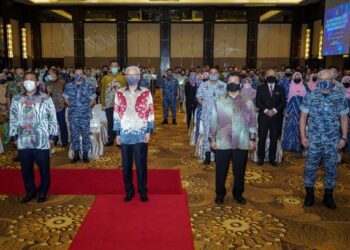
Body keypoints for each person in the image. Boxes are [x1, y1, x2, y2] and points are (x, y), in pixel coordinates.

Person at [300, 69, 349, 209]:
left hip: (332, 140)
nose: (323, 83)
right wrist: (303, 136)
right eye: (321, 80)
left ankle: (329, 195)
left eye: (326, 80)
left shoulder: (339, 97)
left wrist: (344, 137)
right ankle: (309, 194)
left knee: (331, 168)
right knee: (310, 167)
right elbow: (303, 117)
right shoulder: (310, 96)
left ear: (332, 81)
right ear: (317, 81)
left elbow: (344, 118)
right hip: (314, 139)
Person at [9, 72, 58, 203]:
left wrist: (53, 136)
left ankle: (42, 191)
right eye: (26, 79)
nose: (28, 82)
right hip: (23, 140)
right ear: (23, 82)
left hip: (41, 140)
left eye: (31, 80)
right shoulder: (17, 99)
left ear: (37, 83)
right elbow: (13, 118)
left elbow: (52, 118)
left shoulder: (45, 98)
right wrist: (13, 135)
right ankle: (30, 191)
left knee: (44, 168)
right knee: (26, 169)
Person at [209, 76, 257, 205]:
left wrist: (252, 139)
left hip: (241, 141)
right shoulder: (219, 101)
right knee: (221, 170)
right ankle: (220, 194)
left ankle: (238, 193)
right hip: (222, 141)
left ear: (240, 84)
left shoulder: (248, 101)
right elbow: (213, 121)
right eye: (230, 82)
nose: (232, 84)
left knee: (240, 171)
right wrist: (212, 139)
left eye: (235, 82)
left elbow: (252, 121)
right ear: (226, 84)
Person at [114, 66, 154, 202]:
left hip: (140, 133)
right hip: (125, 134)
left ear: (139, 76)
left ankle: (142, 190)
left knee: (141, 164)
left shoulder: (146, 92)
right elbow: (116, 114)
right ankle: (129, 190)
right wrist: (117, 133)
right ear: (125, 76)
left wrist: (149, 130)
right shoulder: (119, 92)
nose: (131, 77)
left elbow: (150, 112)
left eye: (134, 74)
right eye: (128, 75)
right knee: (126, 165)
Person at [64, 68, 96, 163]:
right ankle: (76, 155)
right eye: (76, 73)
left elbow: (93, 100)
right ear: (73, 75)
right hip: (73, 115)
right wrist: (73, 107)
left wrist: (85, 108)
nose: (78, 75)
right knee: (74, 135)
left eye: (80, 73)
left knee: (85, 135)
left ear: (83, 75)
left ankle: (85, 155)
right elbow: (66, 98)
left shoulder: (88, 86)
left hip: (85, 115)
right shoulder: (68, 86)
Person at [256, 68, 286, 166]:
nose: (270, 77)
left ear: (276, 77)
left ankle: (272, 159)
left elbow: (283, 102)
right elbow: (258, 102)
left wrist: (274, 110)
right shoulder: (260, 88)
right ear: (265, 77)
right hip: (263, 117)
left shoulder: (280, 88)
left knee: (274, 138)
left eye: (273, 75)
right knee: (262, 138)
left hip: (276, 118)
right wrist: (265, 110)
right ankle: (261, 158)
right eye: (269, 75)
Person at [196, 68, 226, 165]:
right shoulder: (203, 85)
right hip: (207, 115)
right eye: (211, 73)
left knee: (218, 135)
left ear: (219, 74)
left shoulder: (223, 85)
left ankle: (217, 156)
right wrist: (205, 104)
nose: (213, 74)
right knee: (207, 135)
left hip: (219, 115)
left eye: (215, 73)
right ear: (208, 74)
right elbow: (198, 97)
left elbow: (227, 99)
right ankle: (207, 156)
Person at [100, 61, 125, 146]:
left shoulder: (123, 78)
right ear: (110, 67)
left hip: (120, 104)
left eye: (116, 66)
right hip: (108, 104)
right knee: (110, 122)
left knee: (120, 121)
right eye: (112, 66)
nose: (114, 68)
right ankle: (110, 138)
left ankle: (121, 138)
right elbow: (102, 91)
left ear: (118, 67)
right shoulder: (105, 78)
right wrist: (103, 103)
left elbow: (125, 91)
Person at [281, 72, 307, 153]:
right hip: (290, 110)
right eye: (295, 76)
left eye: (299, 76)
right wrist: (285, 111)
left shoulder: (304, 87)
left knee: (299, 127)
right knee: (289, 127)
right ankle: (288, 146)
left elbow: (307, 100)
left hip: (301, 111)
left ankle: (298, 146)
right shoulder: (288, 87)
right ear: (293, 77)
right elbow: (284, 100)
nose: (297, 78)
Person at [46, 70, 68, 147]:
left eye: (50, 74)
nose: (49, 75)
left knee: (62, 124)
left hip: (60, 106)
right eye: (48, 74)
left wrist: (66, 103)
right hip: (51, 107)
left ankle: (64, 141)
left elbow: (66, 94)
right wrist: (48, 92)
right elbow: (46, 96)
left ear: (55, 74)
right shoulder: (48, 83)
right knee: (52, 124)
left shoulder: (62, 82)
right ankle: (54, 140)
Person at [341, 76, 350, 153]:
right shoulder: (339, 90)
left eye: (348, 80)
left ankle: (347, 149)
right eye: (345, 80)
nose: (347, 82)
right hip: (341, 114)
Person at [0, 73, 9, 144]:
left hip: (9, 108)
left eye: (4, 76)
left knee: (9, 125)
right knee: (3, 125)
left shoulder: (10, 85)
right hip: (0, 109)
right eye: (0, 77)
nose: (2, 78)